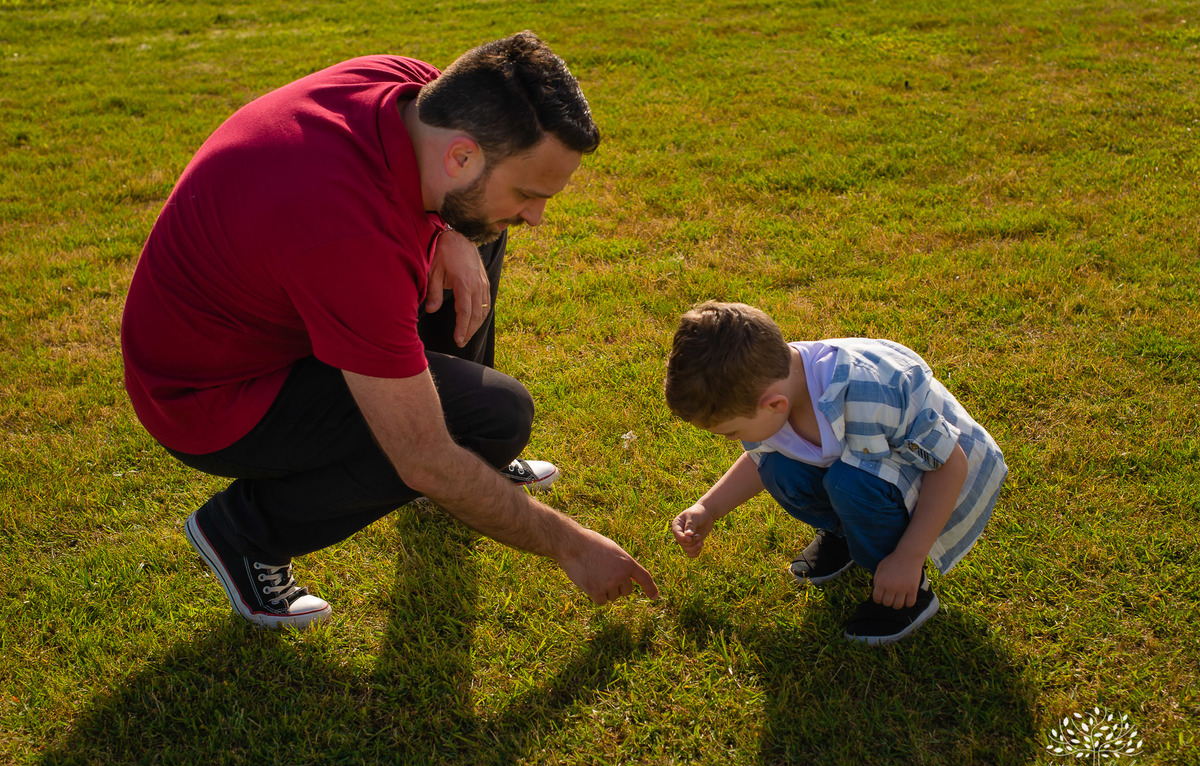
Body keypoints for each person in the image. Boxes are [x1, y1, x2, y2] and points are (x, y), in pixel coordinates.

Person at [121, 31, 658, 629]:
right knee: (492, 418)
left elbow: (435, 198)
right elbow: (419, 456)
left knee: (479, 223)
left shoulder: (413, 89)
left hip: (276, 318)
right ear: (459, 155)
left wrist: (445, 232)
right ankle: (245, 532)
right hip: (211, 399)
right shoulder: (349, 241)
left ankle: (471, 455)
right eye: (532, 194)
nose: (538, 215)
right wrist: (573, 544)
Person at [664, 302, 1006, 645]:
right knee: (778, 467)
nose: (734, 440)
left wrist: (910, 557)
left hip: (938, 478)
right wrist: (707, 507)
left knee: (851, 483)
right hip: (871, 468)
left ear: (774, 405)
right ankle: (846, 537)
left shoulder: (874, 393)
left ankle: (909, 594)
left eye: (732, 432)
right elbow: (761, 457)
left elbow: (950, 464)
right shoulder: (774, 385)